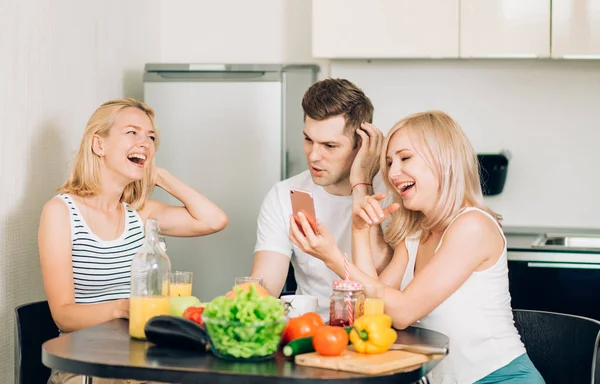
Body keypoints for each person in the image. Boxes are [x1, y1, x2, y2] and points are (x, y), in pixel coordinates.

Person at [289, 110, 545, 383]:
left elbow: (403, 312)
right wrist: (359, 230)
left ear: (443, 160)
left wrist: (333, 259)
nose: (393, 172)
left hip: (499, 378)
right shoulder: (414, 234)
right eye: (388, 162)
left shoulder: (472, 226)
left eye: (405, 158)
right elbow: (370, 308)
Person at [39, 98, 228, 384]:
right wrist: (124, 308)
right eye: (132, 132)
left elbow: (213, 220)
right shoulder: (61, 212)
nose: (145, 143)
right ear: (98, 145)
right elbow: (63, 316)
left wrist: (161, 177)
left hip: (140, 359)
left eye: (151, 137)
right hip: (85, 366)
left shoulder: (140, 213)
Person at [250, 78, 391, 319]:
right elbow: (265, 286)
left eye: (329, 145)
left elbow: (381, 288)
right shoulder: (284, 195)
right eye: (308, 140)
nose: (314, 156)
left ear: (362, 144)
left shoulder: (392, 194)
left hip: (378, 328)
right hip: (310, 331)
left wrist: (362, 184)